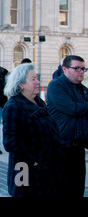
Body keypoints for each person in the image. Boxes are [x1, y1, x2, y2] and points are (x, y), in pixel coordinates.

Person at [2, 63, 67, 197]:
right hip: (27, 170)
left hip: (48, 170)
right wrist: (35, 161)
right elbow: (11, 143)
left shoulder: (39, 102)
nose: (38, 82)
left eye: (37, 78)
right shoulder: (14, 106)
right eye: (33, 79)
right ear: (21, 84)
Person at [47, 55, 88, 197]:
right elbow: (73, 109)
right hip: (61, 147)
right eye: (76, 68)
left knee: (78, 189)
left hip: (78, 147)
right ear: (64, 69)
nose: (81, 72)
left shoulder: (82, 89)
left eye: (83, 69)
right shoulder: (56, 86)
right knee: (62, 190)